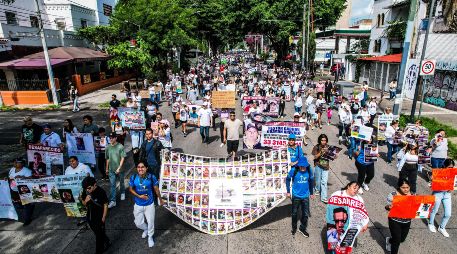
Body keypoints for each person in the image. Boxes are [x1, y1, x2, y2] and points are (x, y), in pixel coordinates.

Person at [129, 161, 165, 248]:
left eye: (142, 167)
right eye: (138, 167)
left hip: (149, 204)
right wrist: (139, 196)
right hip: (138, 204)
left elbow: (156, 189)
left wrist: (160, 200)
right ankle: (145, 229)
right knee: (138, 223)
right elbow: (130, 189)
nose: (140, 169)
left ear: (146, 168)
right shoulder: (133, 177)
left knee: (151, 222)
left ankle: (150, 237)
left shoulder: (152, 177)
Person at [326, 181, 368, 251]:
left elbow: (362, 213)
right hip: (334, 225)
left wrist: (365, 223)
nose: (356, 190)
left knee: (343, 248)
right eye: (354, 188)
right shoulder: (337, 194)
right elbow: (330, 209)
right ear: (348, 186)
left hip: (349, 229)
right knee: (333, 246)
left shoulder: (359, 199)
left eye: (357, 189)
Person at [81, 176, 110, 253]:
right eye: (86, 188)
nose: (87, 190)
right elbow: (83, 203)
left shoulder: (101, 192)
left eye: (89, 188)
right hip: (90, 216)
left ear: (95, 185)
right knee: (98, 233)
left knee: (98, 237)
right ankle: (107, 241)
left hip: (99, 216)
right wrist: (86, 201)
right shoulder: (86, 191)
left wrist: (103, 217)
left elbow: (105, 204)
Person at [286, 156, 313, 237]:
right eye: (301, 166)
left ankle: (302, 228)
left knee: (305, 214)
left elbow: (311, 181)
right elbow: (287, 179)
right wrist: (288, 191)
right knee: (294, 213)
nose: (302, 168)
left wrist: (311, 193)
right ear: (298, 165)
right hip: (296, 195)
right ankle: (294, 228)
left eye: (304, 166)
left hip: (305, 196)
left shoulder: (309, 170)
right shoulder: (294, 170)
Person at [385, 178, 412, 254]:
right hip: (394, 221)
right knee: (397, 241)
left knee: (402, 239)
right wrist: (389, 207)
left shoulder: (413, 195)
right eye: (403, 187)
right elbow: (387, 207)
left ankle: (390, 240)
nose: (405, 189)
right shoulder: (393, 195)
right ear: (399, 187)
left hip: (407, 221)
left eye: (407, 187)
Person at [428, 158, 454, 238]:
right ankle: (431, 223)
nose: (451, 169)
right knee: (434, 210)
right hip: (437, 194)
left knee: (448, 214)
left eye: (452, 167)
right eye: (449, 167)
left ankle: (442, 227)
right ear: (444, 166)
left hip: (447, 195)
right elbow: (432, 182)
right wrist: (432, 180)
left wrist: (452, 187)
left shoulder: (453, 173)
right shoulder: (438, 172)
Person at [8, 158, 34, 226]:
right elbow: (10, 177)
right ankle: (29, 205)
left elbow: (31, 179)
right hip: (14, 190)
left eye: (17, 162)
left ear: (22, 164)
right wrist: (7, 179)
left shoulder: (27, 171)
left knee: (26, 205)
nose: (15, 164)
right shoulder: (12, 169)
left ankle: (27, 220)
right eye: (14, 162)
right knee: (17, 204)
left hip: (24, 191)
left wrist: (23, 177)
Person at [105, 133, 127, 208]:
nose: (111, 139)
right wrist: (107, 168)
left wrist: (119, 167)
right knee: (112, 185)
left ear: (116, 138)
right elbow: (107, 158)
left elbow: (123, 158)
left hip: (120, 169)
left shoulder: (120, 146)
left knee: (121, 181)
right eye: (110, 138)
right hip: (111, 169)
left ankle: (123, 192)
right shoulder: (107, 147)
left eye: (112, 138)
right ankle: (113, 200)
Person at [312, 134, 330, 203]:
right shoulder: (316, 147)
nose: (323, 142)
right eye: (322, 140)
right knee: (318, 180)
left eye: (325, 140)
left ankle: (324, 197)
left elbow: (333, 157)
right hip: (318, 165)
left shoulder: (328, 147)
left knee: (324, 182)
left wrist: (335, 154)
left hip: (326, 167)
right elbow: (315, 157)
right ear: (320, 140)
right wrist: (321, 152)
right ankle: (317, 189)